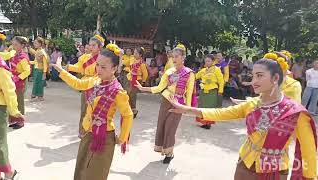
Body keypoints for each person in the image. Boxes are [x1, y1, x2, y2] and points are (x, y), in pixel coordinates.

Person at [169, 58, 317, 180]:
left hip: (274, 172)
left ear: (275, 78)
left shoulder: (295, 113)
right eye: (253, 76)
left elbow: (309, 153)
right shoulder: (252, 104)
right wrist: (187, 110)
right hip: (244, 165)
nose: (254, 81)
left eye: (260, 75)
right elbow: (222, 113)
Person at [52, 45, 133, 180]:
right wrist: (61, 71)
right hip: (89, 132)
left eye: (103, 67)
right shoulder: (95, 80)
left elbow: (128, 114)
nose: (98, 69)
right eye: (97, 65)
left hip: (104, 137)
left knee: (95, 173)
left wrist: (123, 137)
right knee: (81, 168)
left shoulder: (118, 91)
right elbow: (78, 83)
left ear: (114, 69)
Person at [135, 44, 196, 164]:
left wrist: (186, 109)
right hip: (166, 101)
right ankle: (164, 149)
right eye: (173, 56)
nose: (174, 59)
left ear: (183, 57)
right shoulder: (169, 72)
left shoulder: (189, 73)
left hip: (178, 103)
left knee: (170, 128)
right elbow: (159, 88)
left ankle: (169, 152)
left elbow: (189, 93)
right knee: (162, 125)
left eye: (177, 56)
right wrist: (143, 88)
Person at [67, 34, 104, 137]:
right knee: (85, 109)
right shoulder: (85, 57)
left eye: (93, 45)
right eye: (90, 45)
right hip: (86, 85)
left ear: (100, 47)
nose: (90, 48)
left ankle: (94, 131)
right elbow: (79, 68)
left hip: (98, 86)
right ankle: (83, 131)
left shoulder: (103, 58)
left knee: (96, 110)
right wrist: (67, 67)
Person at [0, 56, 23, 180]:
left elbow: (8, 89)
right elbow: (8, 89)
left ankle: (7, 173)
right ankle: (5, 173)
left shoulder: (0, 64)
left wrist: (14, 110)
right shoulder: (0, 64)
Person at [195, 54, 224, 129]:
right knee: (202, 107)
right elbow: (195, 76)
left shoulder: (217, 69)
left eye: (209, 61)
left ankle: (208, 124)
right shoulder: (203, 70)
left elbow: (221, 81)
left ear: (213, 61)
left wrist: (220, 91)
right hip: (203, 91)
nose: (207, 62)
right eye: (206, 61)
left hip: (212, 91)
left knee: (210, 107)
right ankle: (204, 123)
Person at [126, 47, 148, 118]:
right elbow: (128, 65)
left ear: (140, 55)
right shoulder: (132, 59)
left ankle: (133, 110)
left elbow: (145, 74)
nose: (134, 54)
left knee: (132, 95)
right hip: (130, 78)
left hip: (137, 80)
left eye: (136, 53)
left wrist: (143, 82)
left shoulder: (142, 64)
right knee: (128, 94)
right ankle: (130, 109)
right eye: (134, 52)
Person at [29, 37, 48, 101]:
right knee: (35, 82)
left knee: (40, 83)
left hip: (40, 70)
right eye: (34, 43)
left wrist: (44, 73)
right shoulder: (37, 51)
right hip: (36, 69)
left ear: (40, 44)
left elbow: (45, 63)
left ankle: (39, 96)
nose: (34, 44)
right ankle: (35, 96)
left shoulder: (42, 52)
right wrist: (28, 62)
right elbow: (35, 61)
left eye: (36, 43)